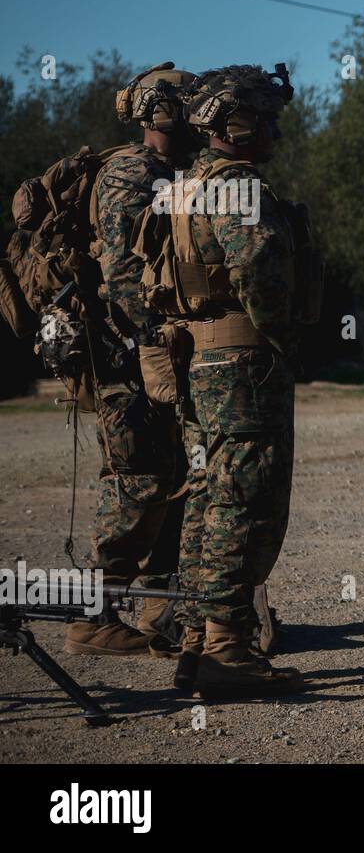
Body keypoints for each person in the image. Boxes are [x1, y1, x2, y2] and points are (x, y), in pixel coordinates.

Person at [148, 63, 321, 694]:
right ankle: (226, 651)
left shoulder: (184, 185)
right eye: (267, 117)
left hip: (200, 358)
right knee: (243, 500)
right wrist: (282, 338)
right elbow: (256, 270)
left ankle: (196, 644)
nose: (276, 129)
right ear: (237, 123)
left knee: (207, 496)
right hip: (243, 361)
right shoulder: (239, 187)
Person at [63, 62, 194, 657]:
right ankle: (93, 617)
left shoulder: (174, 173)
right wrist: (158, 338)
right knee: (138, 479)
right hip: (124, 357)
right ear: (166, 111)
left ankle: (157, 611)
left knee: (174, 479)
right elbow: (121, 279)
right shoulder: (129, 174)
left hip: (154, 354)